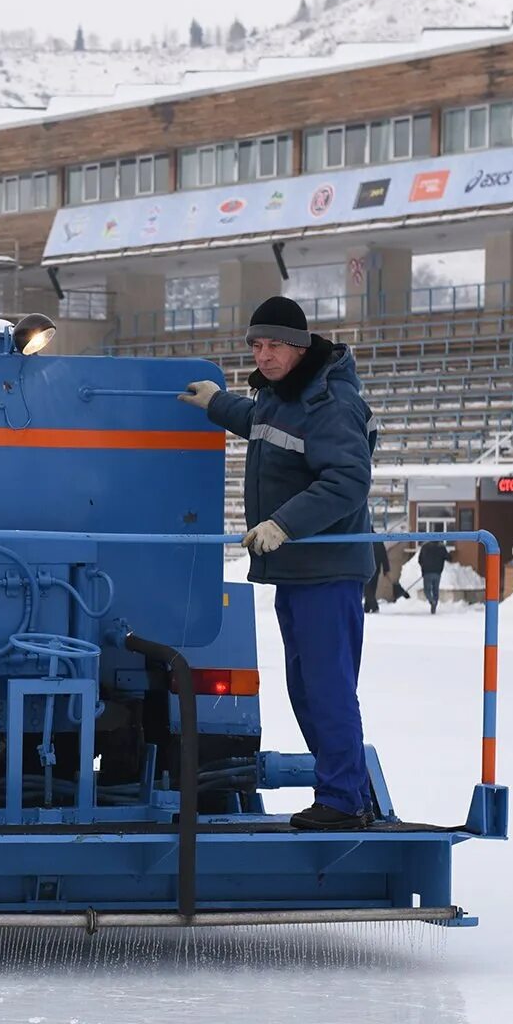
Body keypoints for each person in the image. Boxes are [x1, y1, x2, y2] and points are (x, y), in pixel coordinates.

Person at [180, 296, 379, 830]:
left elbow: (347, 480)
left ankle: (343, 799)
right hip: (298, 571)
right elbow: (264, 425)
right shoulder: (282, 397)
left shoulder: (330, 403)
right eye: (255, 345)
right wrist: (217, 404)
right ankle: (343, 792)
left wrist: (284, 524)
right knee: (307, 688)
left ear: (299, 346)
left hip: (327, 570)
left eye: (272, 346)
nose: (262, 355)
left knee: (327, 688)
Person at [417, 539, 449, 614]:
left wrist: (423, 567)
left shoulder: (425, 546)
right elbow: (448, 557)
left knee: (427, 590)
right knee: (435, 590)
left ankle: (432, 601)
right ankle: (434, 604)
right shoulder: (441, 547)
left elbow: (420, 559)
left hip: (427, 572)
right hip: (437, 572)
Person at [363, 541, 388, 614]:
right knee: (372, 588)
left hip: (367, 568)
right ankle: (367, 607)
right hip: (376, 568)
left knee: (368, 589)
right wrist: (386, 568)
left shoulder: (366, 539)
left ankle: (374, 606)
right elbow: (384, 555)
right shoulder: (378, 541)